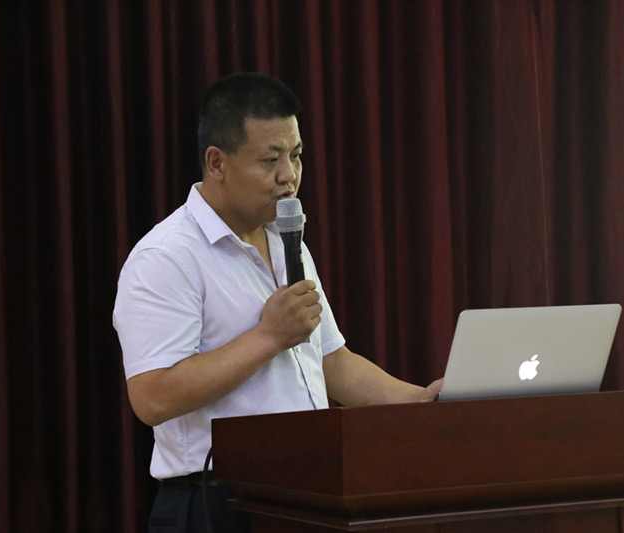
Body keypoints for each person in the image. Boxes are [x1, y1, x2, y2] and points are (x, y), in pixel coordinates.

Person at [113, 72, 442, 533]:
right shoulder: (166, 256)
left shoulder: (288, 240)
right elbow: (152, 397)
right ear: (216, 162)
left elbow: (330, 361)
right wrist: (267, 337)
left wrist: (420, 401)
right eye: (271, 159)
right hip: (217, 503)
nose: (289, 175)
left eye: (296, 155)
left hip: (305, 494)